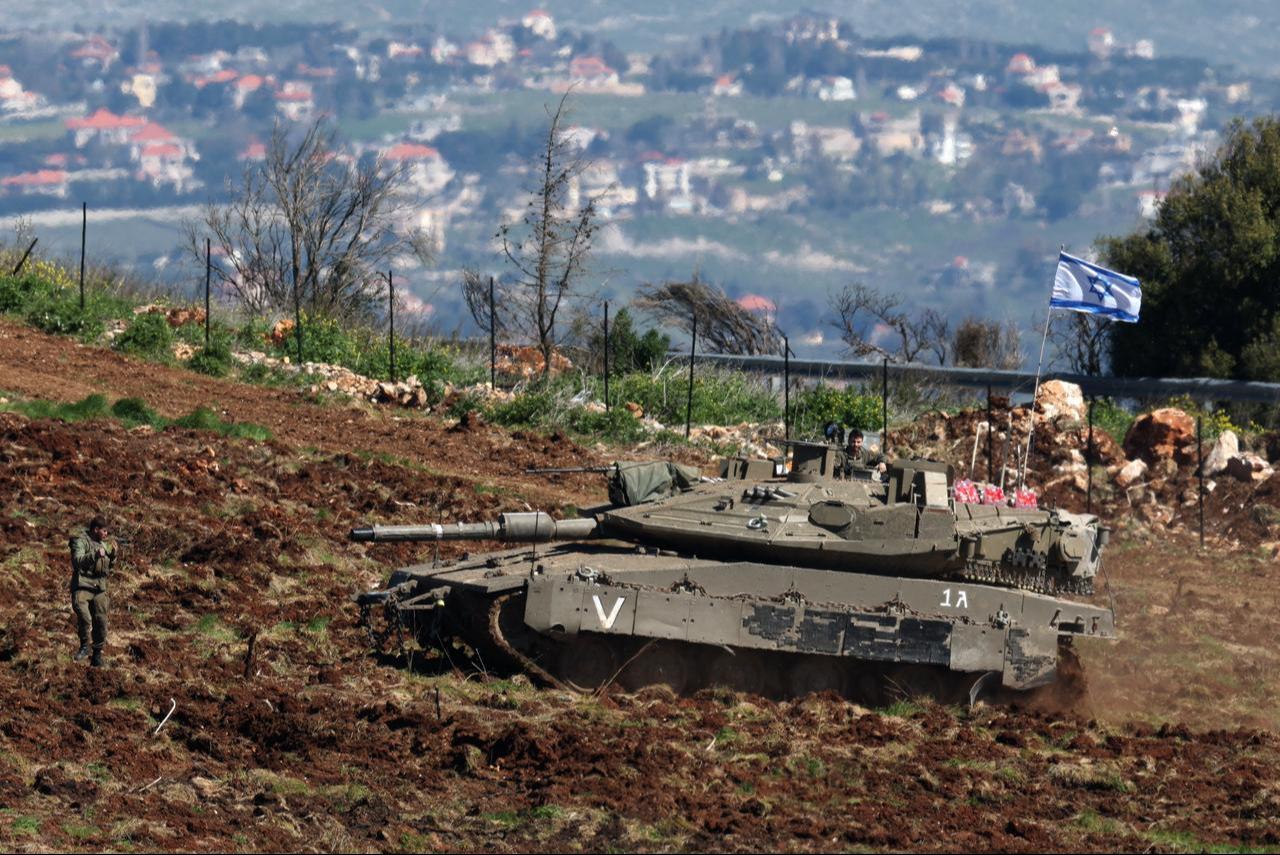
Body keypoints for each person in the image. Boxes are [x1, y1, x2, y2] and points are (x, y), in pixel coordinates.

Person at [70, 516, 117, 667]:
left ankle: (97, 655)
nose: (106, 534)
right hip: (83, 586)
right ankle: (84, 646)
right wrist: (95, 555)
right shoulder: (80, 541)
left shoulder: (104, 545)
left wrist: (113, 556)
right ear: (95, 529)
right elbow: (77, 562)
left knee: (101, 621)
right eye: (104, 531)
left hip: (99, 588)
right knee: (84, 617)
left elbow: (108, 569)